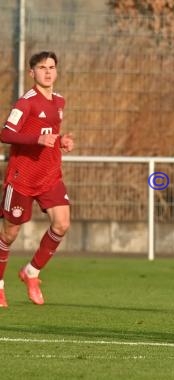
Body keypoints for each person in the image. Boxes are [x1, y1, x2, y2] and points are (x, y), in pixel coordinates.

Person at [0, 51, 74, 308]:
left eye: (52, 67)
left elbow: (50, 132)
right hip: (22, 178)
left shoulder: (60, 101)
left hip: (50, 175)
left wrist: (61, 140)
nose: (48, 72)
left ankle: (31, 272)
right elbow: (6, 134)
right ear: (32, 73)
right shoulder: (26, 102)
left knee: (62, 224)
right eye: (42, 68)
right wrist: (37, 139)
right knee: (9, 234)